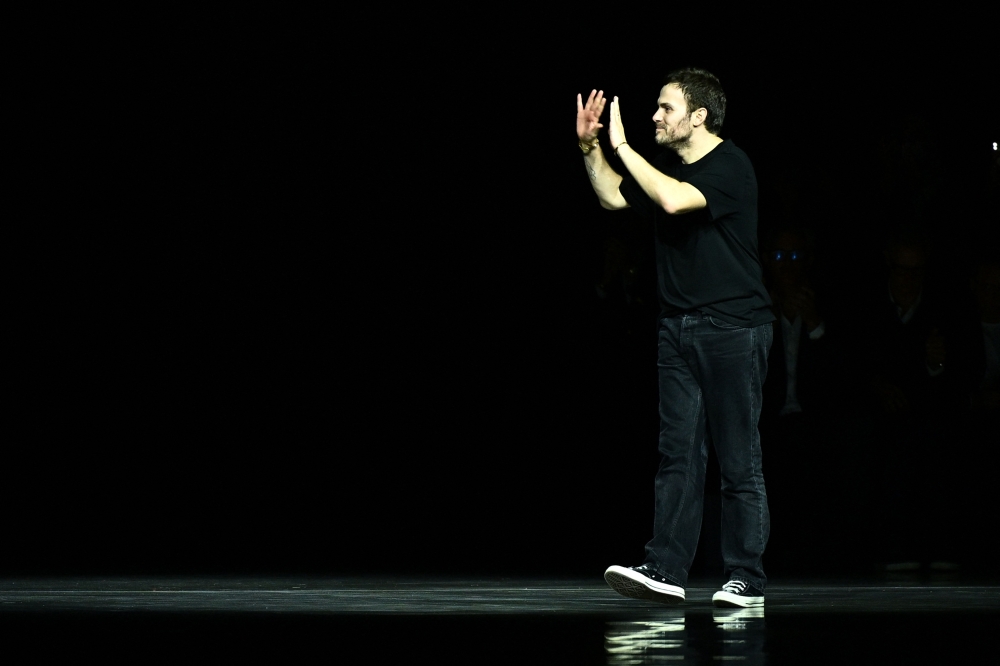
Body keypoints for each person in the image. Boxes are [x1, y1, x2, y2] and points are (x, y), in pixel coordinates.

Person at [576, 68, 774, 608]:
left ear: (699, 115)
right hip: (677, 328)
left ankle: (746, 578)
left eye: (666, 108)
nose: (656, 116)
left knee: (738, 457)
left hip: (734, 327)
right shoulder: (665, 166)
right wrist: (592, 147)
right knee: (678, 454)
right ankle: (665, 567)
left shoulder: (731, 165)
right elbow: (615, 199)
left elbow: (672, 201)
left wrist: (622, 146)